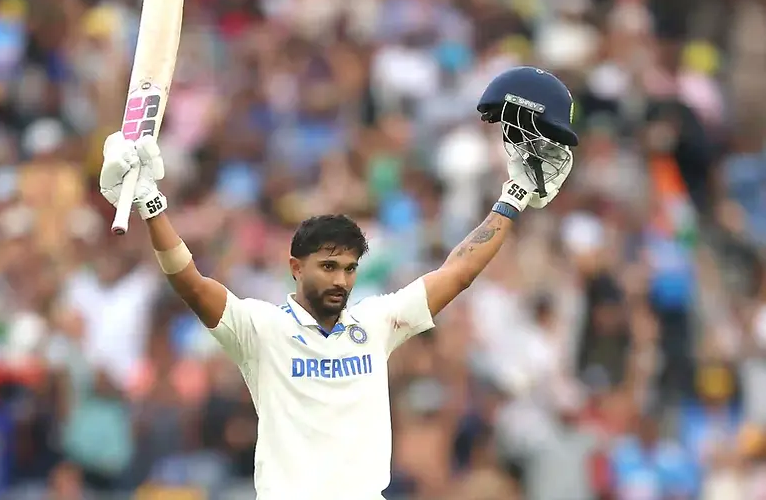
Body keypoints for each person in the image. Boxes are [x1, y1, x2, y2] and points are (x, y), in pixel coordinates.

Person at [97, 66, 577, 499]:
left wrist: (512, 197)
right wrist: (150, 204)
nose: (341, 280)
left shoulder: (377, 320)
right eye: (328, 266)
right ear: (295, 267)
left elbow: (458, 270)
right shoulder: (260, 329)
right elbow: (191, 284)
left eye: (349, 269)